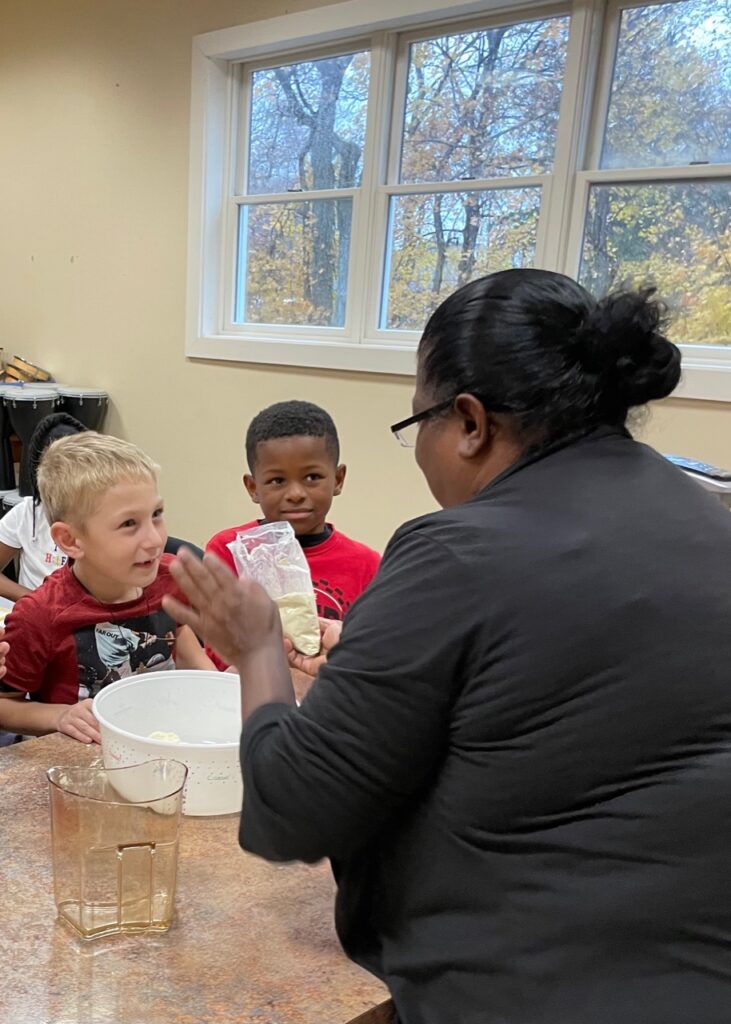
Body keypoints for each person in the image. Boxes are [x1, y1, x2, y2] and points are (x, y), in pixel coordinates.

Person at [164, 269, 731, 1024]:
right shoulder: (707, 519)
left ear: (467, 421)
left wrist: (259, 646)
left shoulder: (456, 551)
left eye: (416, 424)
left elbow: (291, 811)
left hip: (524, 990)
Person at [0, 432, 213, 744]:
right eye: (128, 524)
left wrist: (216, 687)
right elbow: (6, 705)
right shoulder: (39, 615)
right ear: (70, 540)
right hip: (84, 764)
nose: (155, 539)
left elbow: (179, 636)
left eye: (156, 515)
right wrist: (59, 716)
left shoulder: (169, 575)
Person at [205, 400, 380, 675]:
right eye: (277, 481)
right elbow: (217, 651)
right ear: (253, 487)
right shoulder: (228, 550)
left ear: (338, 479)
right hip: (245, 696)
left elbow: (370, 652)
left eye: (312, 477)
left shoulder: (366, 565)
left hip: (325, 703)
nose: (296, 493)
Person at [0, 412, 88, 602]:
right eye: (51, 467)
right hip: (35, 614)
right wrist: (35, 601)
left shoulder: (101, 515)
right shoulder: (26, 512)